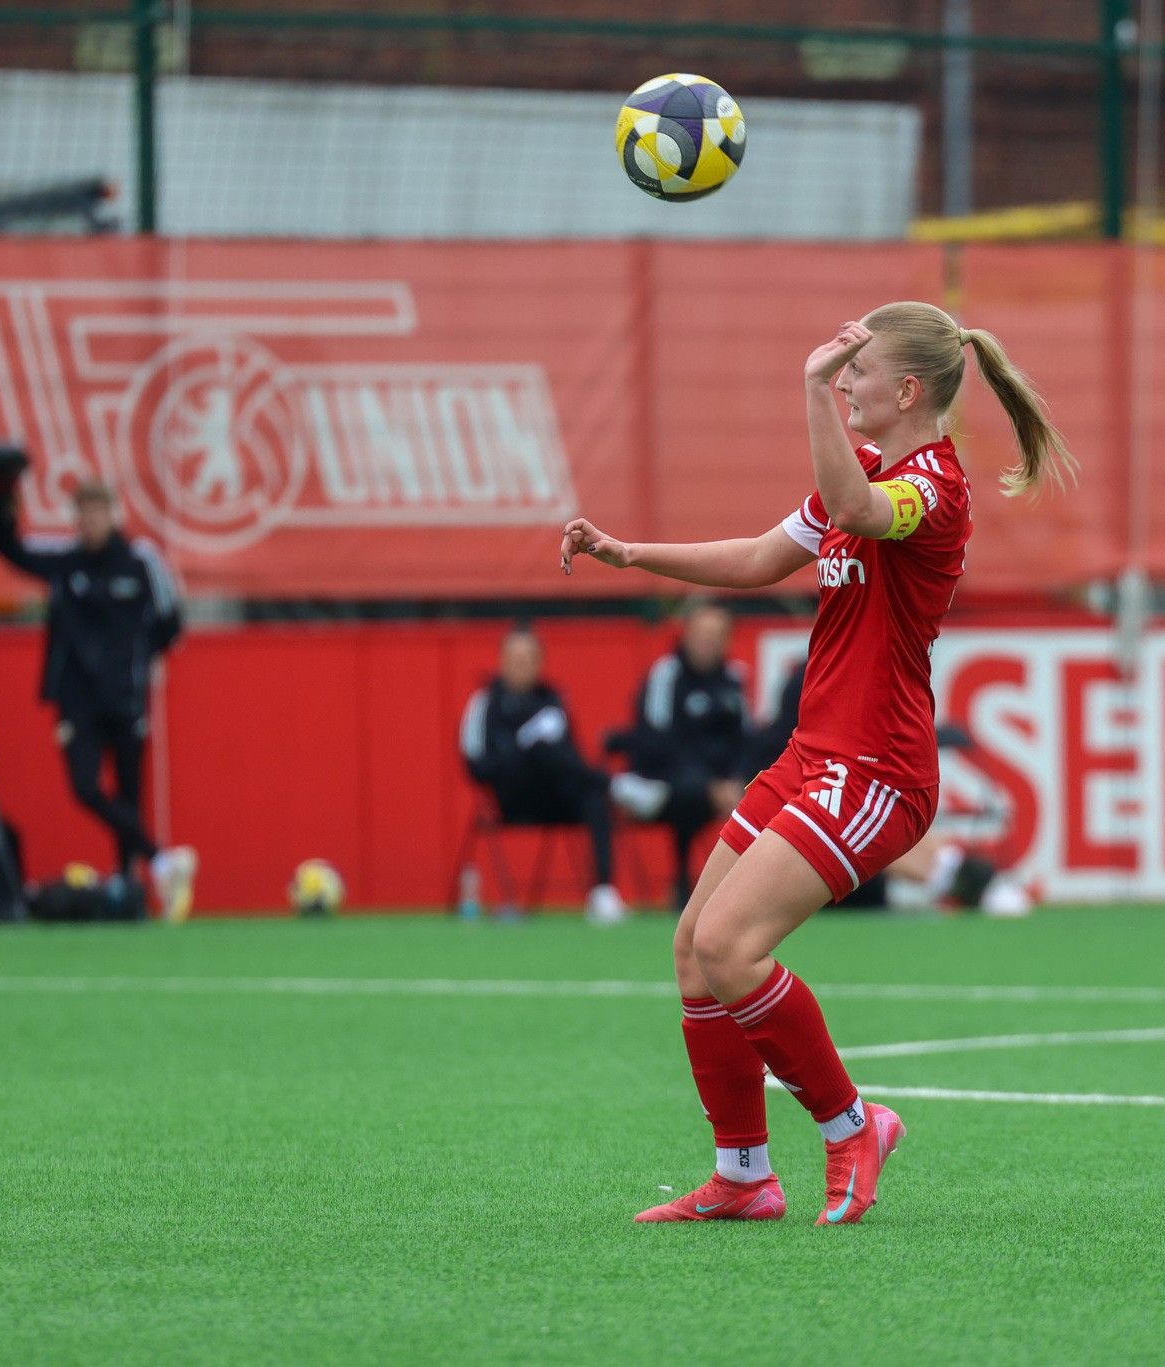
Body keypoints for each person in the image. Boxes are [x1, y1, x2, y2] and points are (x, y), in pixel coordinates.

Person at [561, 301, 1073, 1224]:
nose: (844, 382)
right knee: (692, 950)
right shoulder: (870, 464)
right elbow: (762, 556)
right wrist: (629, 553)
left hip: (878, 771)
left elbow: (855, 511)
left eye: (858, 371)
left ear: (907, 391)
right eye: (838, 370)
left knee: (730, 946)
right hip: (811, 755)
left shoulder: (932, 489)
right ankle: (745, 1174)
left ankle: (852, 1126)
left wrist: (806, 390)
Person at [0, 481, 196, 921]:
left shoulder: (140, 562)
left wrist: (134, 662)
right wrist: (2, 506)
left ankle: (130, 885)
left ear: (114, 515)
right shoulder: (67, 563)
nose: (89, 522)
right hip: (78, 700)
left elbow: (170, 621)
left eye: (96, 513)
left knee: (129, 792)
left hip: (125, 698)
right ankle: (161, 859)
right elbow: (14, 553)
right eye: (82, 514)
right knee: (85, 787)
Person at [752, 658, 1033, 916]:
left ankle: (958, 874)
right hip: (807, 863)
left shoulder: (853, 736)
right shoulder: (784, 745)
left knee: (884, 820)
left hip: (857, 875)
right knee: (864, 826)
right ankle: (958, 879)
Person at [458, 624, 627, 925]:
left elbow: (569, 756)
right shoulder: (485, 703)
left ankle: (602, 891)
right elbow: (475, 766)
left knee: (591, 794)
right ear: (502, 661)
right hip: (513, 798)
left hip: (555, 795)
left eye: (529, 659)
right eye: (515, 659)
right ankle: (616, 784)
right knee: (541, 750)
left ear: (540, 662)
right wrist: (521, 749)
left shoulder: (553, 700)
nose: (522, 666)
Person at [607, 599, 751, 907]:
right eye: (702, 636)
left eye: (716, 637)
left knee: (764, 791)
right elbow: (659, 743)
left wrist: (737, 782)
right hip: (663, 781)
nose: (708, 645)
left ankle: (749, 894)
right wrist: (708, 786)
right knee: (688, 795)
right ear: (687, 635)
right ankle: (684, 885)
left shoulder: (734, 678)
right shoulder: (666, 675)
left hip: (723, 785)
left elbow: (744, 741)